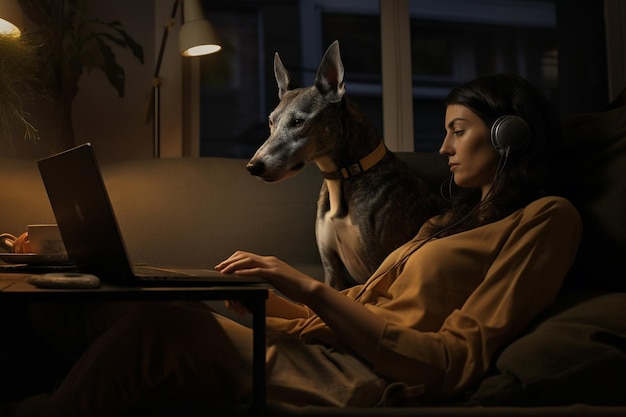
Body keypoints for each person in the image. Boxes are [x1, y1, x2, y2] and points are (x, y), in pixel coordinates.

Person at [12, 73, 582, 416]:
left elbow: (454, 361)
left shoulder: (544, 220)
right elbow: (358, 308)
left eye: (457, 129)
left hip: (356, 379)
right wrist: (269, 293)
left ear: (509, 133)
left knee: (165, 328)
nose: (443, 146)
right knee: (101, 301)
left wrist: (303, 285)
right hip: (318, 347)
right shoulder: (447, 223)